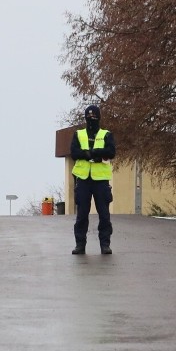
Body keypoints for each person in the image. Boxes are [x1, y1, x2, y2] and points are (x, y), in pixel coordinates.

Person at [70, 105, 116, 254]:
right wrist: (86, 154)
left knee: (104, 215)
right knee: (82, 214)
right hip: (83, 179)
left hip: (101, 180)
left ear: (99, 118)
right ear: (85, 118)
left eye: (94, 117)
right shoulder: (79, 134)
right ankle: (80, 244)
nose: (92, 120)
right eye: (89, 117)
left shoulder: (106, 134)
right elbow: (74, 152)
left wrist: (96, 152)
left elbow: (111, 151)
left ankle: (105, 244)